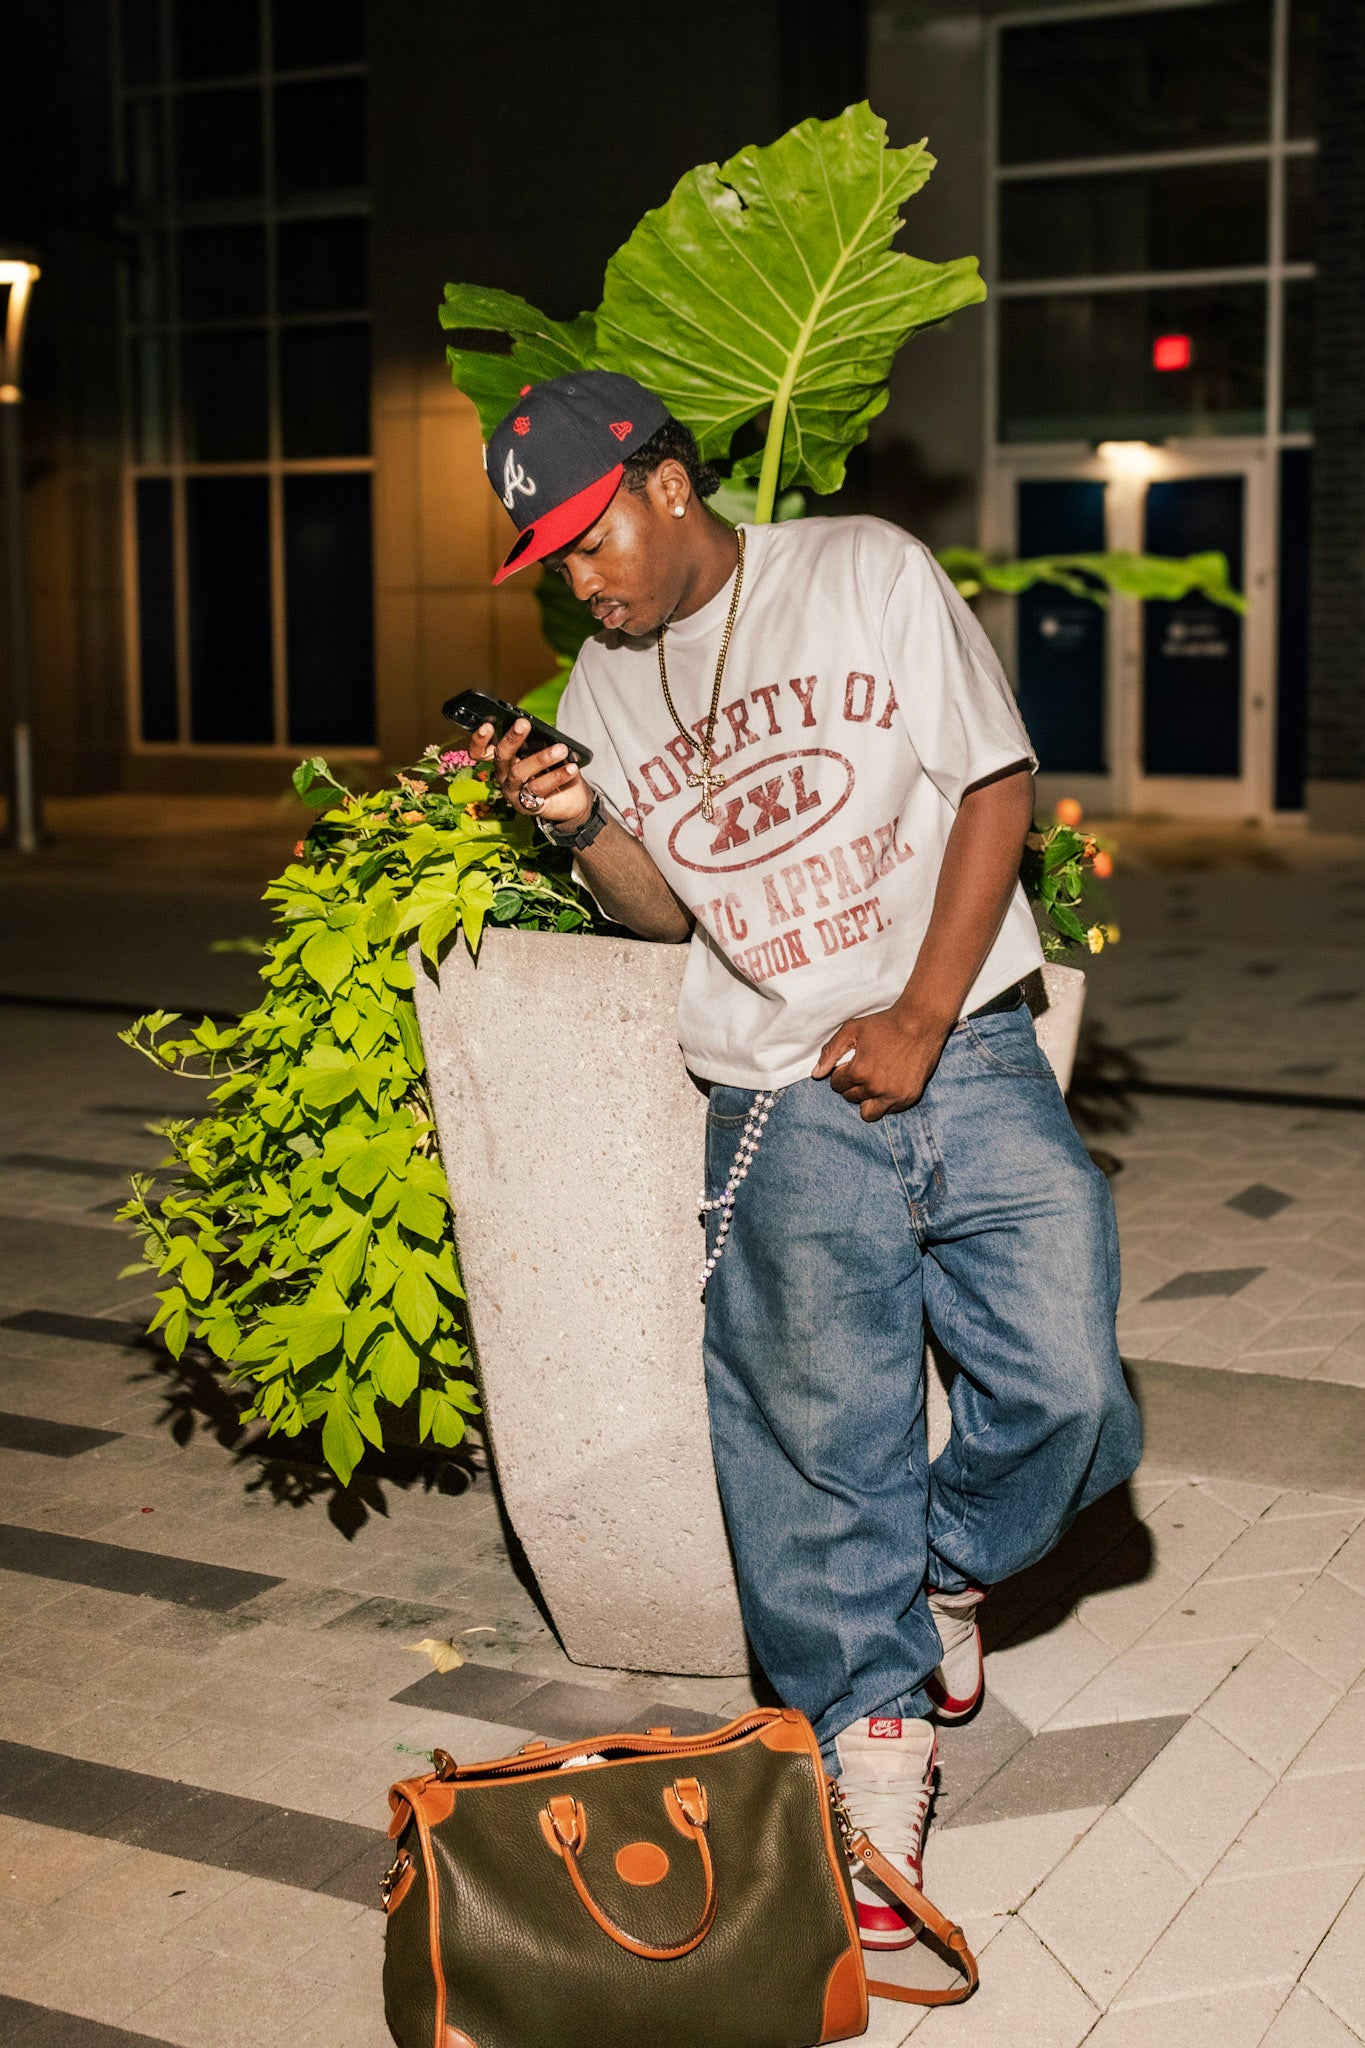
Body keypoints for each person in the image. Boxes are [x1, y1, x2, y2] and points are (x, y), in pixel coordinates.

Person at [470, 369, 1142, 1950]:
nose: (580, 579)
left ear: (669, 482)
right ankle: (871, 1731)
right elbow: (665, 911)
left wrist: (917, 1007)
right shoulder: (605, 679)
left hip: (957, 1041)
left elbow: (993, 782)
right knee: (817, 1432)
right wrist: (573, 819)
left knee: (1065, 1380)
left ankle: (946, 1574)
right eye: (550, 561)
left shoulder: (860, 572)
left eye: (588, 539)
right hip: (766, 1086)